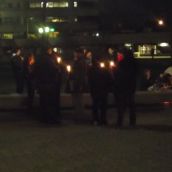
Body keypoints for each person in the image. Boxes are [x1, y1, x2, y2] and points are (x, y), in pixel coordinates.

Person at [34, 46, 62, 124]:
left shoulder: (39, 59)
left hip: (41, 83)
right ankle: (50, 118)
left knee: (43, 101)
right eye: (50, 50)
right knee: (50, 102)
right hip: (49, 83)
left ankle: (44, 117)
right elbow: (54, 69)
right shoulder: (49, 60)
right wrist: (58, 67)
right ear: (48, 50)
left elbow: (35, 71)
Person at [113, 48, 138, 128]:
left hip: (123, 86)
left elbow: (119, 75)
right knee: (131, 105)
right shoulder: (134, 62)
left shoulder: (122, 63)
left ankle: (120, 121)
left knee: (122, 105)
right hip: (131, 86)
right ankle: (132, 122)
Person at [88, 52, 111, 126]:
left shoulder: (91, 69)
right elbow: (108, 79)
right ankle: (102, 119)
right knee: (102, 106)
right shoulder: (103, 69)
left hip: (96, 89)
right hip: (102, 89)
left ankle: (96, 119)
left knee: (96, 105)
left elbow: (90, 80)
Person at [72, 48, 87, 115]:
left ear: (79, 54)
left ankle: (79, 113)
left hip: (78, 82)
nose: (74, 54)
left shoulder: (80, 62)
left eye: (75, 53)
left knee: (79, 99)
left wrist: (80, 83)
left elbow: (80, 74)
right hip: (78, 82)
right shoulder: (79, 61)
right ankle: (79, 113)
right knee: (78, 98)